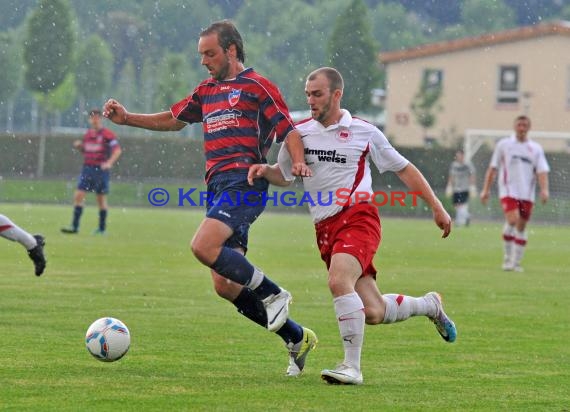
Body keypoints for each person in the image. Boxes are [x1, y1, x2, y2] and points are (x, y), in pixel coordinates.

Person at [102, 20, 317, 376]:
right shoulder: (206, 91)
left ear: (231, 50)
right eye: (201, 54)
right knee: (225, 284)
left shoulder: (257, 86)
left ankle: (274, 293)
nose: (204, 61)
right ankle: (296, 337)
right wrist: (127, 119)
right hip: (217, 187)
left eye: (210, 53)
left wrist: (296, 160)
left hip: (244, 182)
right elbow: (174, 119)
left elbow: (287, 130)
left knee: (202, 246)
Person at [248, 67, 457, 385]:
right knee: (372, 311)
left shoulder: (364, 132)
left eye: (317, 94)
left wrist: (436, 206)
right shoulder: (299, 133)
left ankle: (351, 367)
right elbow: (285, 176)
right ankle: (429, 305)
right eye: (307, 94)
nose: (311, 99)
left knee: (338, 280)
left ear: (336, 94)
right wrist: (266, 171)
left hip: (359, 217)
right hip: (325, 228)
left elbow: (404, 168)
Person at [480, 115, 550, 272]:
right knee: (512, 220)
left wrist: (545, 190)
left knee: (521, 227)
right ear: (514, 126)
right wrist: (485, 189)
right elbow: (493, 168)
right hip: (508, 190)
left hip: (527, 193)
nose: (522, 128)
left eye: (525, 125)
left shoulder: (536, 148)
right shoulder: (504, 145)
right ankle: (507, 259)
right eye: (519, 125)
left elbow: (542, 171)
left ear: (529, 127)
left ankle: (516, 262)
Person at [61, 109, 122, 235]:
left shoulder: (107, 134)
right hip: (87, 169)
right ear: (89, 119)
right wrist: (80, 147)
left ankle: (101, 229)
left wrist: (109, 163)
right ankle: (75, 226)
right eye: (92, 117)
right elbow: (87, 151)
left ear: (101, 119)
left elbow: (117, 150)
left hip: (100, 170)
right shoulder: (88, 134)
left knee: (100, 200)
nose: (94, 120)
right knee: (78, 196)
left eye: (97, 117)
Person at [445, 149, 476, 226]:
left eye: (460, 155)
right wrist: (449, 186)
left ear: (463, 156)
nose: (458, 157)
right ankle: (466, 216)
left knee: (462, 205)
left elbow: (472, 175)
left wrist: (472, 186)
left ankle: (459, 221)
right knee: (457, 205)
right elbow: (451, 176)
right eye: (457, 156)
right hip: (456, 188)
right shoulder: (454, 165)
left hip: (465, 188)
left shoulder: (468, 165)